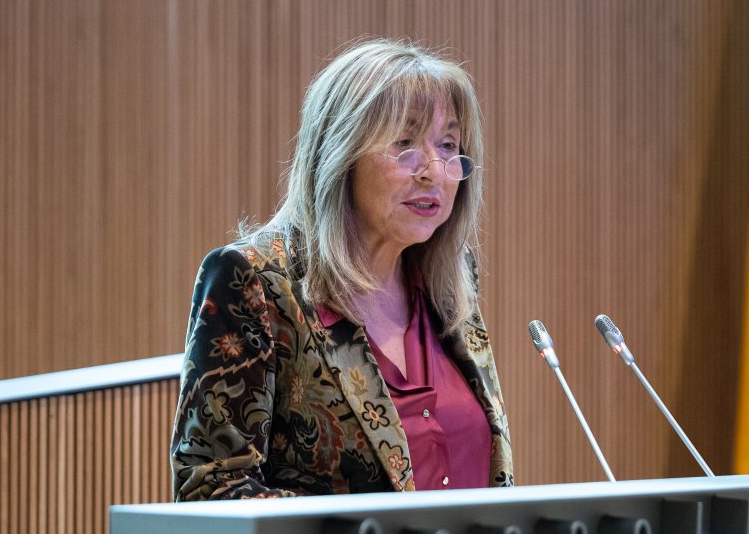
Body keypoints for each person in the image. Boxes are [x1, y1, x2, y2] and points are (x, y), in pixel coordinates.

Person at [170, 39, 513, 500]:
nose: (434, 170)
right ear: (340, 153)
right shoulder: (252, 280)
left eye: (448, 144)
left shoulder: (449, 278)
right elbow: (211, 489)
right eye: (405, 142)